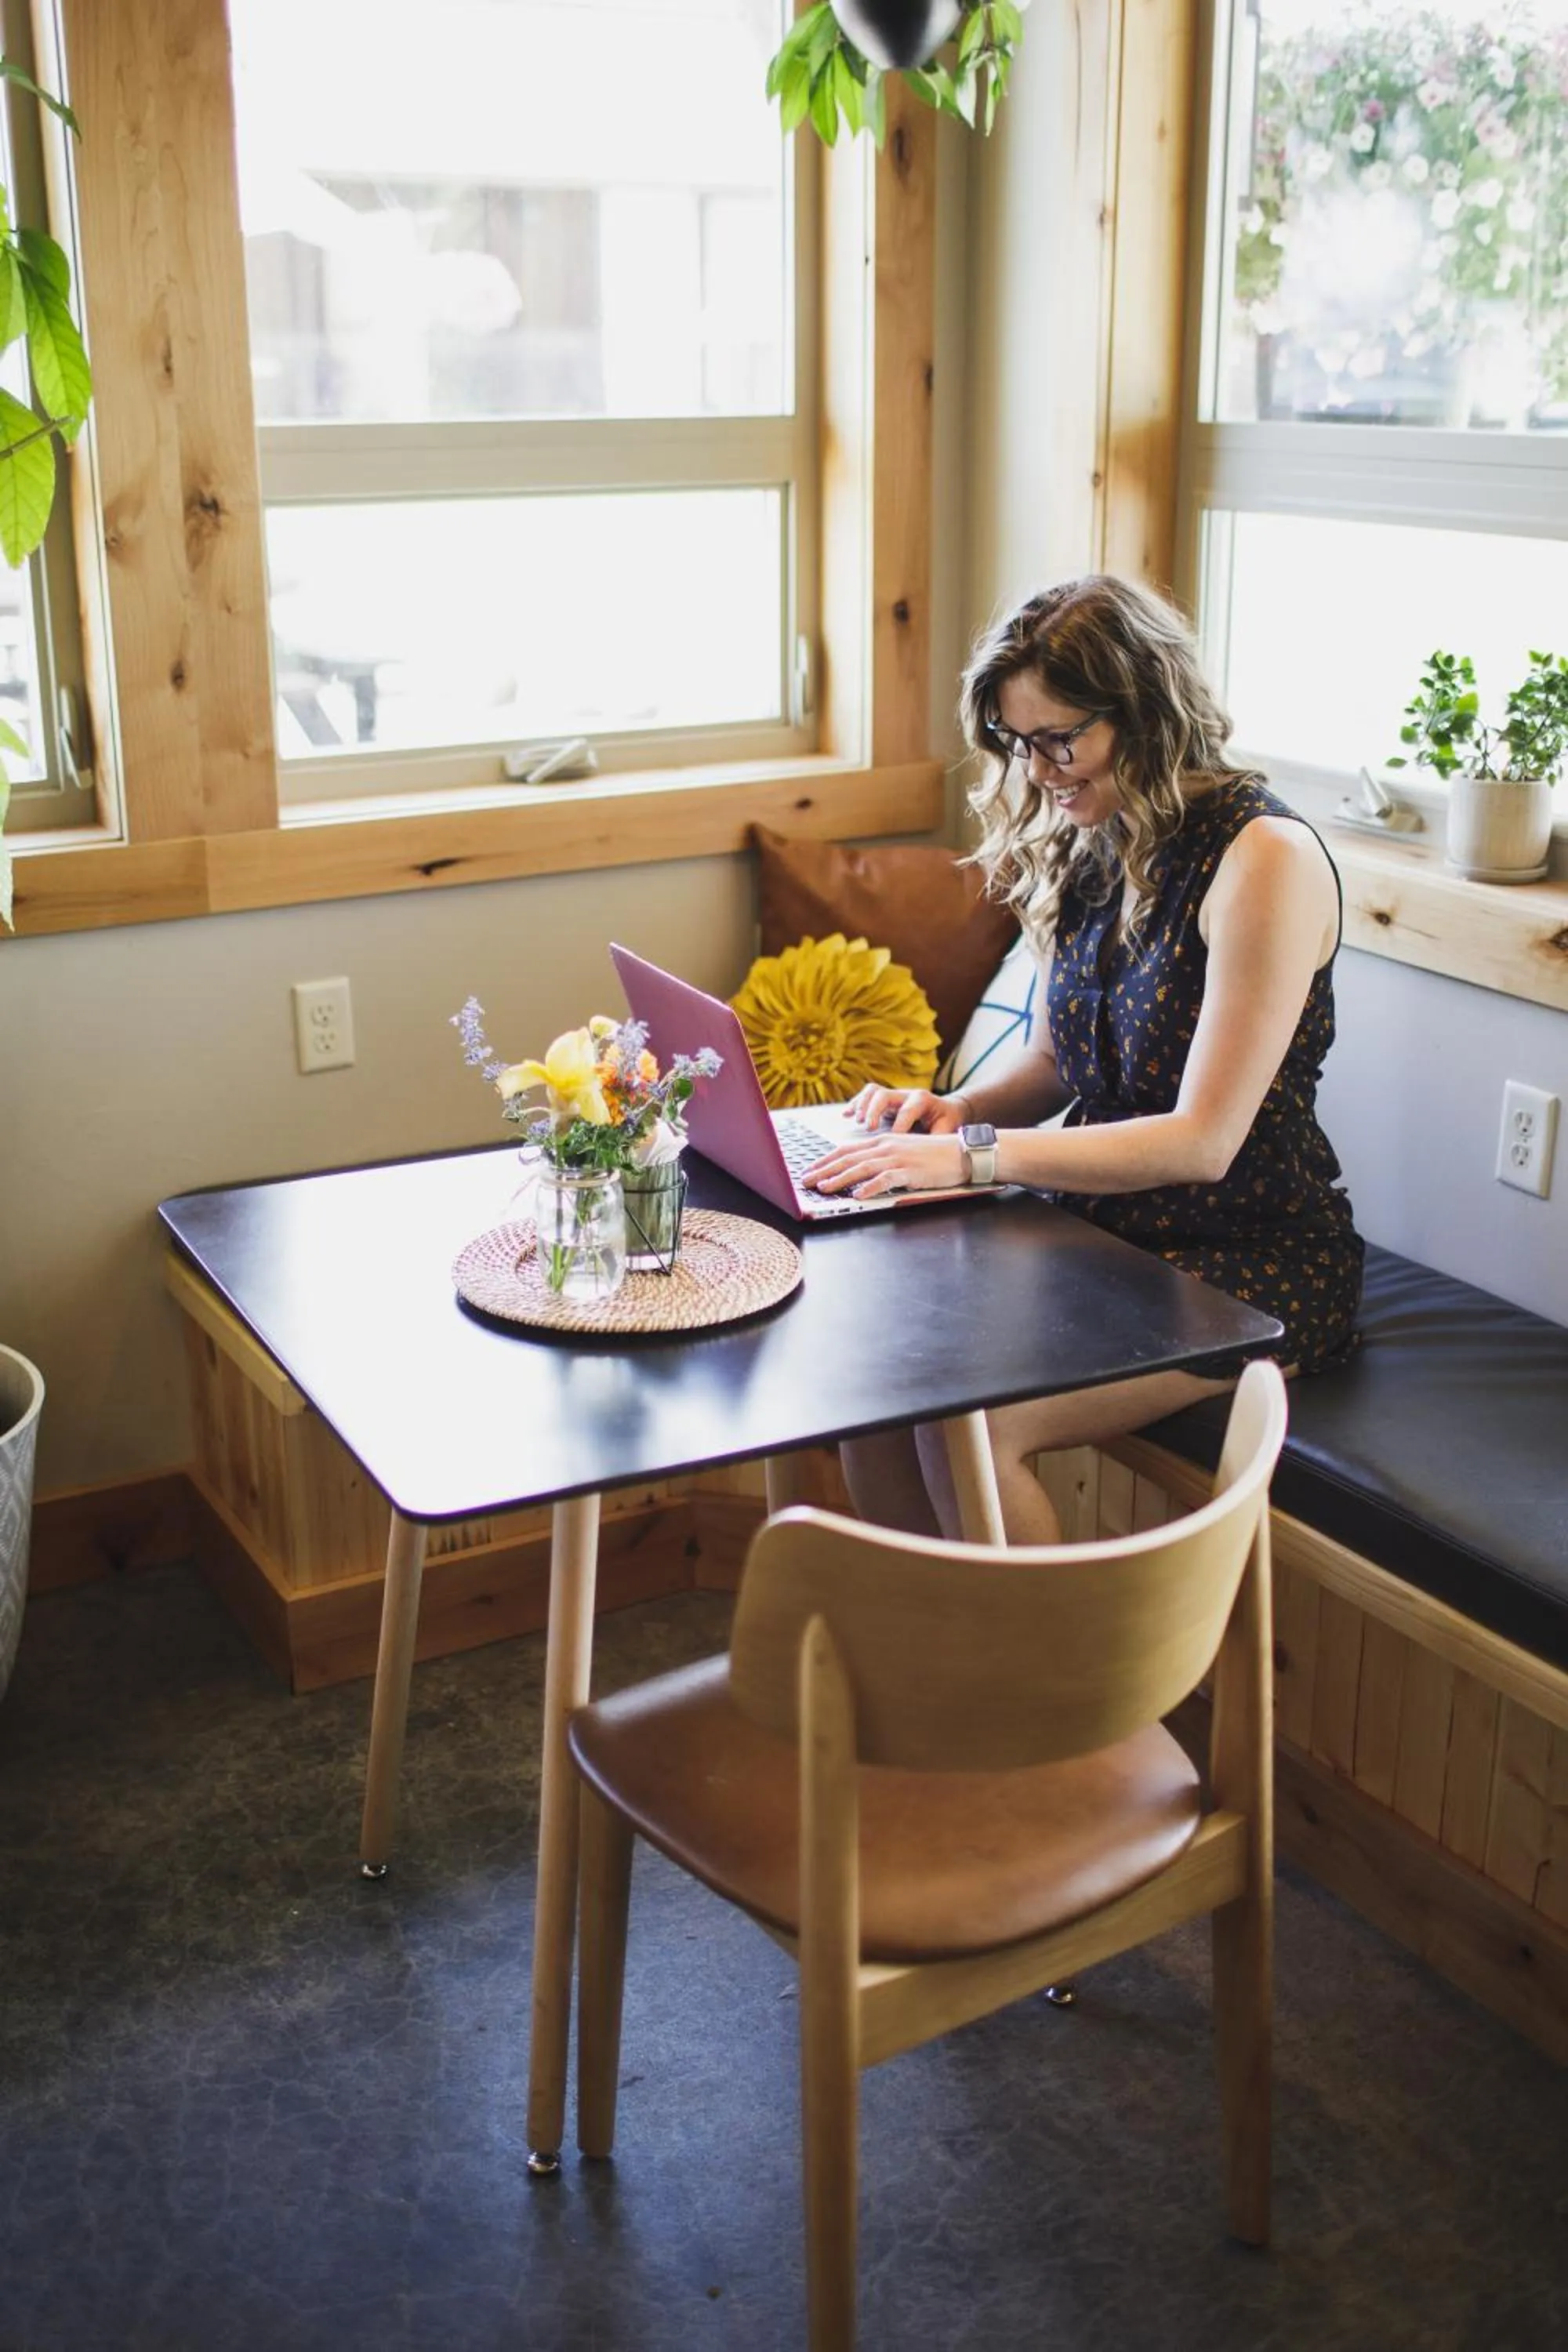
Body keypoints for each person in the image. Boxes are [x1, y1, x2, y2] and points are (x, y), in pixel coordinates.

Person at [804, 573, 1364, 1544]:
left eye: (1061, 739)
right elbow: (1058, 1064)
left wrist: (977, 1157)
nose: (1040, 771)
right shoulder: (1101, 828)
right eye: (1022, 745)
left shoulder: (1262, 857)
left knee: (971, 1426)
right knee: (876, 1387)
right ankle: (922, 1662)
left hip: (1249, 1258)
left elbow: (1202, 1142)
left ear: (1145, 712)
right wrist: (951, 1111)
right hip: (1112, 1236)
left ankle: (1054, 1695)